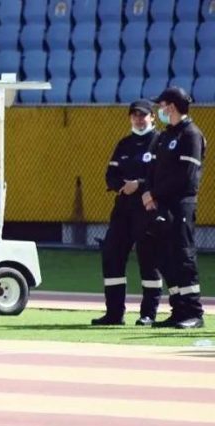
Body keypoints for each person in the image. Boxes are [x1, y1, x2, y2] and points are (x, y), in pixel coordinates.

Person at [92, 100, 162, 327]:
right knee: (112, 255)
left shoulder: (159, 142)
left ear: (153, 116)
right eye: (134, 116)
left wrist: (139, 184)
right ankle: (114, 314)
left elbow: (162, 178)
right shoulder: (124, 144)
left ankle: (148, 314)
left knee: (148, 260)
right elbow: (110, 176)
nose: (139, 119)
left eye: (143, 115)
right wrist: (122, 185)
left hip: (148, 210)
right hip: (123, 209)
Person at [142, 87, 207, 329]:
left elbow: (186, 178)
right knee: (165, 256)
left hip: (181, 204)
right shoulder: (166, 136)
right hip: (161, 204)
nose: (159, 110)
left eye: (162, 105)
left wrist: (155, 193)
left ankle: (193, 312)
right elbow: (153, 169)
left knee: (183, 255)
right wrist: (149, 192)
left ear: (171, 106)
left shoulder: (191, 135)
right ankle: (178, 309)